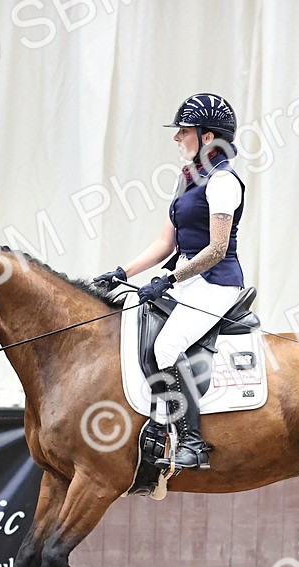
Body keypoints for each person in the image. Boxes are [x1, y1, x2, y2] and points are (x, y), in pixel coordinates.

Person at [94, 94, 246, 471]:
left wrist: (168, 280)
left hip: (216, 282)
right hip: (189, 281)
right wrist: (122, 273)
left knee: (166, 346)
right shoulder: (189, 181)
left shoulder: (223, 182)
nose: (177, 138)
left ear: (207, 137)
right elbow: (166, 244)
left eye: (184, 131)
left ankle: (192, 443)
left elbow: (215, 249)